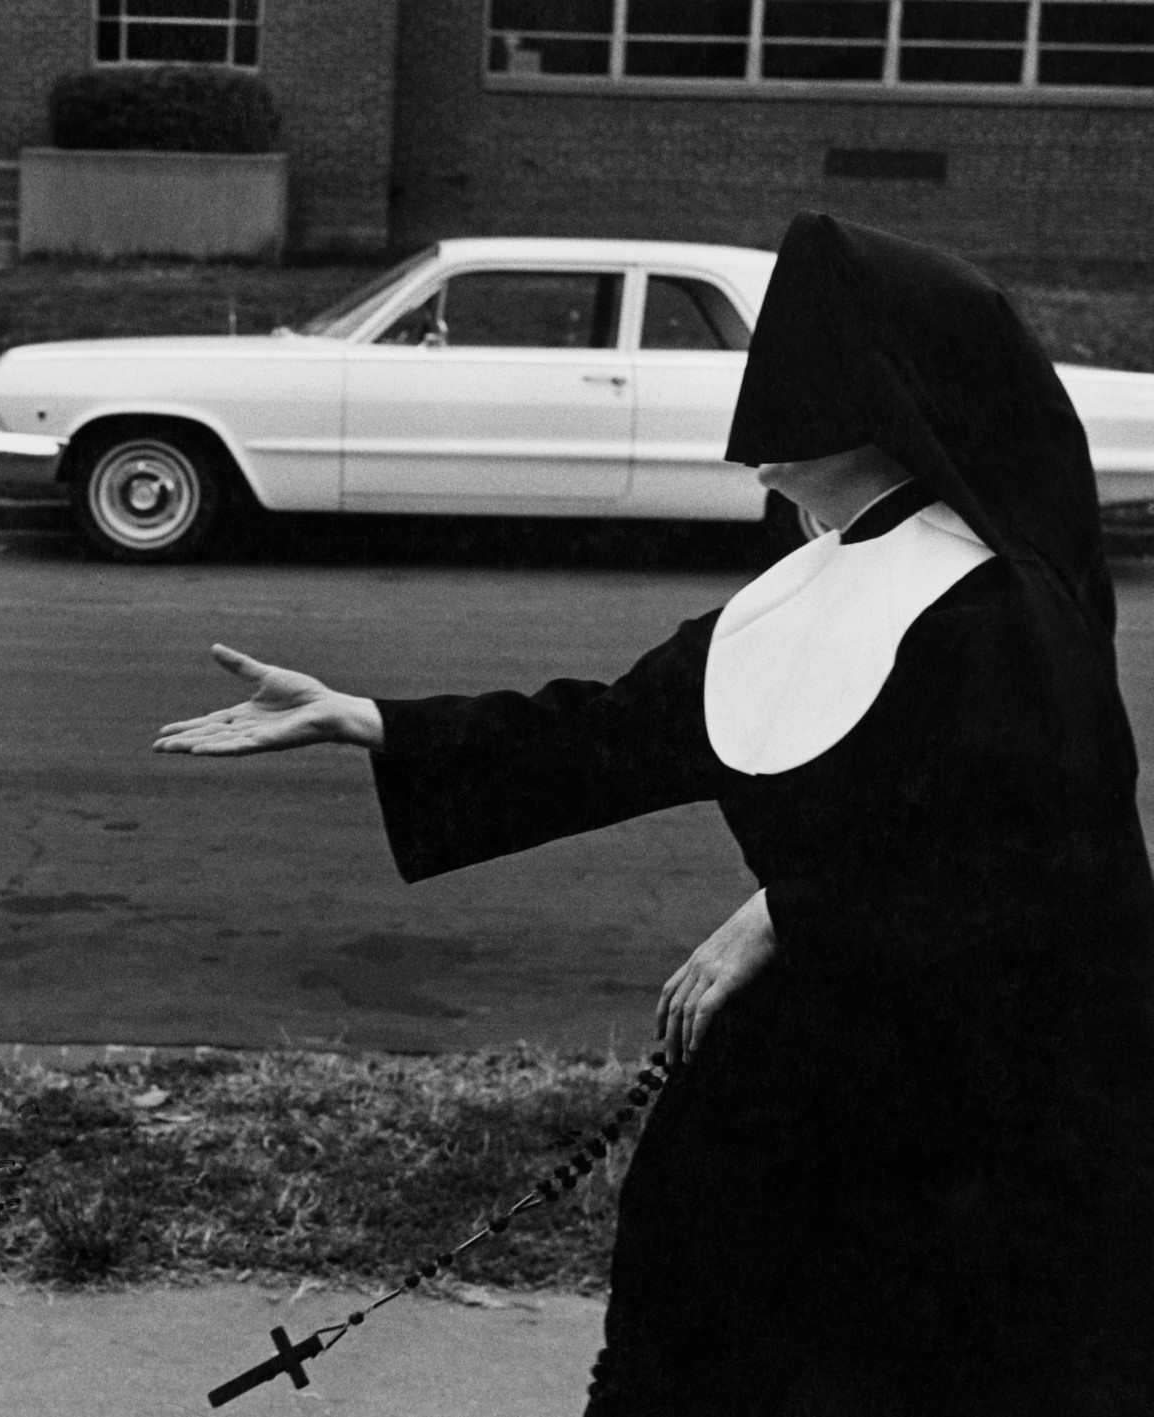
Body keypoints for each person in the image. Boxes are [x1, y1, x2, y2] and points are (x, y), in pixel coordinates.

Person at [154, 213, 1154, 1415]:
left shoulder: (1003, 613)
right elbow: (603, 732)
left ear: (876, 403)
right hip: (778, 1083)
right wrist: (366, 717)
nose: (754, 438)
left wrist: (784, 909)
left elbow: (1039, 866)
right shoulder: (800, 586)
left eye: (785, 397)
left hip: (963, 1118)